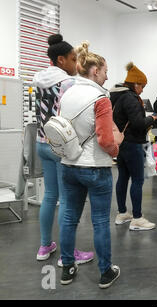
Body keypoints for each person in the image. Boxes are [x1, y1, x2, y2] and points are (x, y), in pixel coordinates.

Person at [59, 42, 120, 288]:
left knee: (68, 218)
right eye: (105, 71)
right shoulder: (101, 98)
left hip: (68, 165)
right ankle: (105, 272)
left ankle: (67, 268)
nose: (107, 76)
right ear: (94, 71)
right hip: (95, 167)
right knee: (101, 221)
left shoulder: (67, 94)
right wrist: (118, 148)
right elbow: (106, 140)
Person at [33, 34, 94, 266]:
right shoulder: (68, 83)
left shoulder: (37, 80)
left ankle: (44, 245)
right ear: (60, 60)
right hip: (61, 146)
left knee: (50, 196)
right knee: (68, 200)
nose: (75, 63)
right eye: (72, 58)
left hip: (41, 143)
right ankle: (69, 255)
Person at [110, 63, 157, 230]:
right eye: (142, 86)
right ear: (135, 83)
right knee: (137, 180)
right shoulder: (130, 98)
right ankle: (137, 218)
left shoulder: (115, 95)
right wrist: (152, 119)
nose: (143, 90)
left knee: (122, 177)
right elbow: (138, 124)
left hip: (121, 144)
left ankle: (122, 213)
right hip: (133, 144)